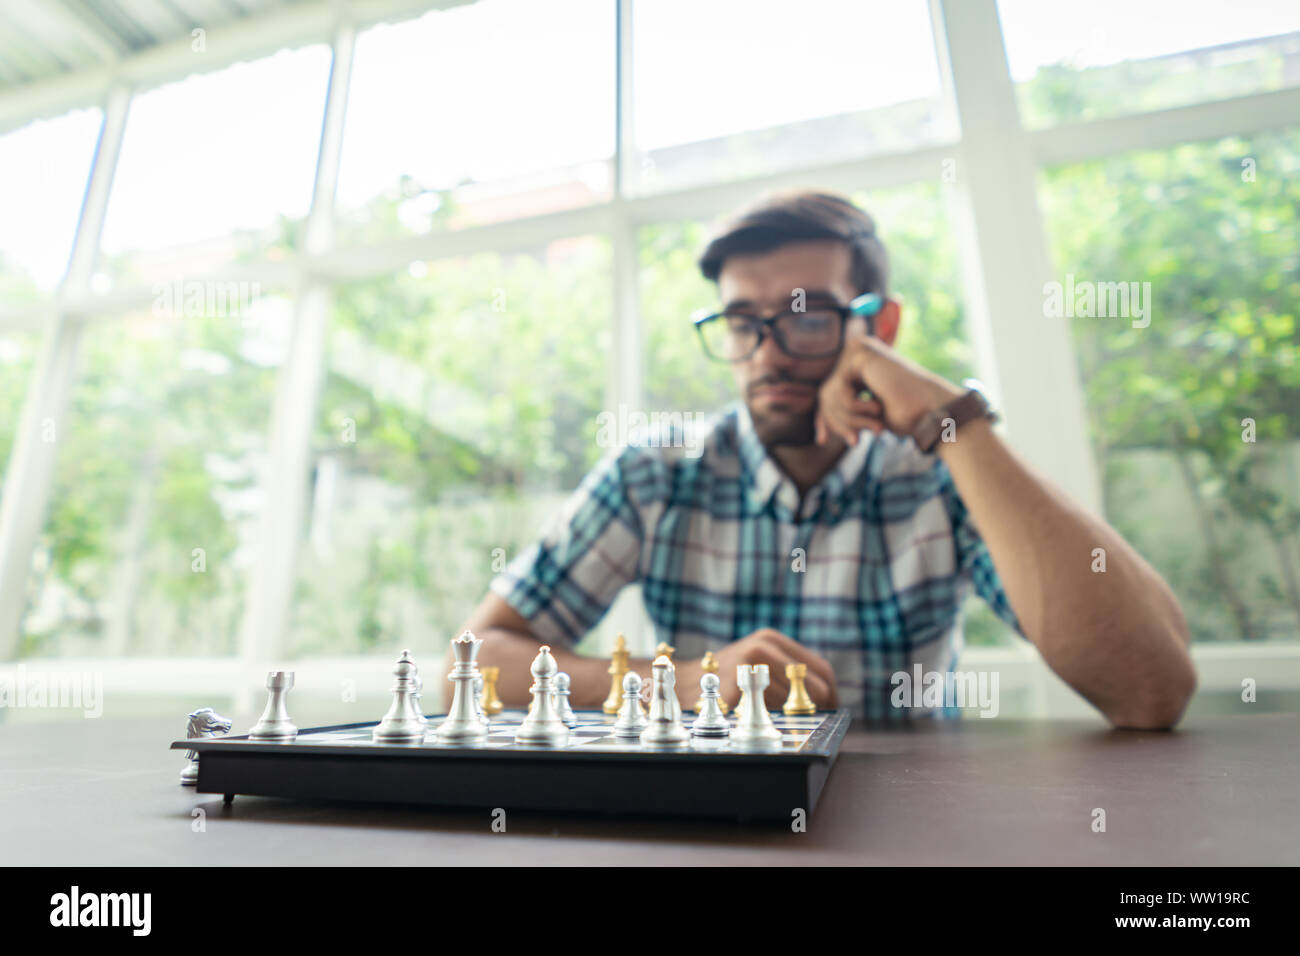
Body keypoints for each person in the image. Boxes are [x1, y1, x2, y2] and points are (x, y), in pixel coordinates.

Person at [451, 191, 1196, 726]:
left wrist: (953, 421)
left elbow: (1150, 690)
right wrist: (687, 684)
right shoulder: (657, 473)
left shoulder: (943, 474)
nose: (768, 354)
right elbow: (474, 661)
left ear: (882, 328)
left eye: (807, 317)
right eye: (743, 322)